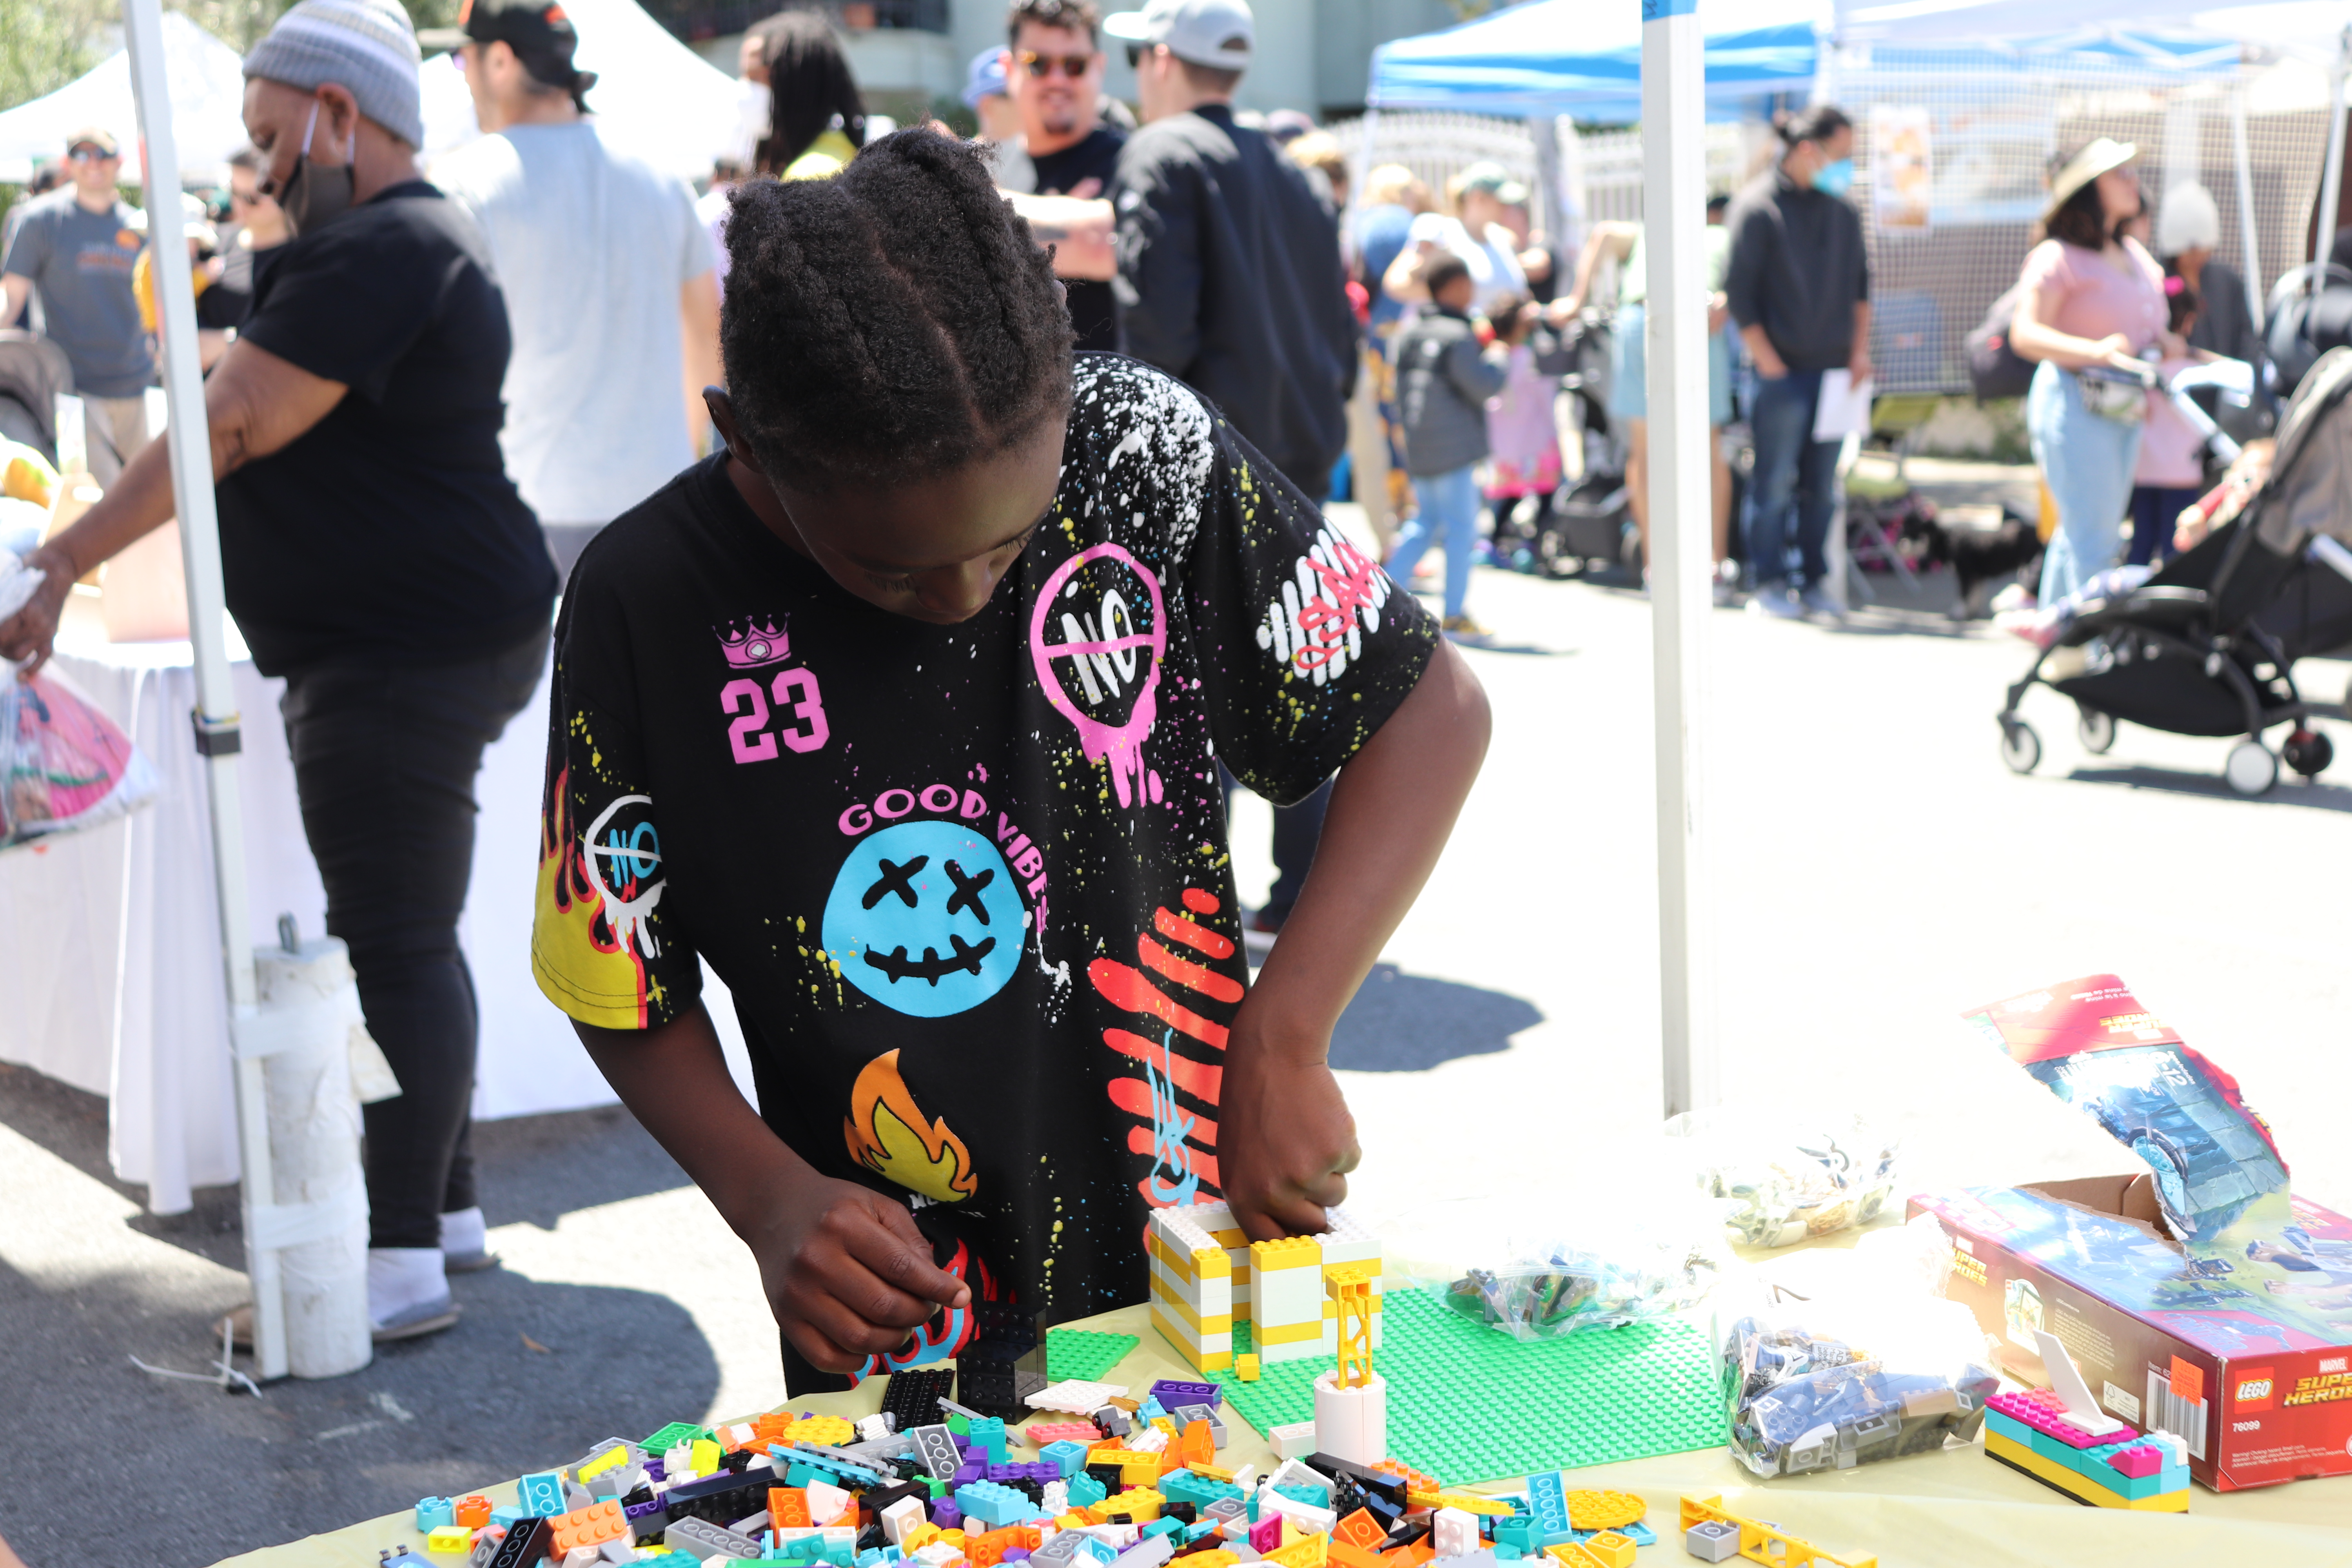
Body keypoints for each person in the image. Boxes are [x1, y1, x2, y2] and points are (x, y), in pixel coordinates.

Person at [534, 129, 1487, 1390]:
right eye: (893, 569)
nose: (965, 595)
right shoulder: (645, 599)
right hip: (899, 1327)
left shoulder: (1143, 452)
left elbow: (1429, 710)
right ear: (745, 440)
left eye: (1014, 540)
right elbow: (617, 974)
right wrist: (765, 1195)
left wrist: (1286, 1033)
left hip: (1203, 1273)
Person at [0, 0, 559, 1343]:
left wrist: (64, 560)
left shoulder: (384, 241)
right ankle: (453, 1206)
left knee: (398, 938)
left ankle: (402, 1258)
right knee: (409, 931)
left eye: (269, 137)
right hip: (425, 633)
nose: (260, 166)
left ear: (339, 116)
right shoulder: (394, 239)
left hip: (399, 650)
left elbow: (230, 422)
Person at [1106, 0, 1357, 934]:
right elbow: (1341, 330)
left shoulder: (1161, 152)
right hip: (1300, 456)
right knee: (1295, 671)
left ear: (1163, 59)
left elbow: (1156, 331)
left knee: (1189, 687)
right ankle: (1296, 895)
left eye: (1139, 55)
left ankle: (1191, 905)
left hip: (1208, 462)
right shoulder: (1296, 174)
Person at [428, 0, 721, 575]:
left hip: (525, 510)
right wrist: (682, 463)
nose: (464, 80)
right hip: (657, 505)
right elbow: (706, 334)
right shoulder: (660, 178)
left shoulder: (463, 185)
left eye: (464, 60)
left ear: (502, 61)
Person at [1724, 104, 1871, 621]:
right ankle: (1767, 581)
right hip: (1781, 374)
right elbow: (1739, 295)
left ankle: (1814, 583)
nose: (1847, 166)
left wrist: (1858, 353)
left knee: (1821, 487)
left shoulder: (1843, 211)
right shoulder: (1757, 207)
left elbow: (1860, 290)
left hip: (1835, 374)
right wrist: (1770, 363)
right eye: (1842, 154)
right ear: (1808, 149)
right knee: (1774, 481)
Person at [2007, 138, 2166, 604]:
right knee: (2093, 540)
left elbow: (2147, 327)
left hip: (2123, 405)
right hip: (2074, 403)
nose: (2134, 181)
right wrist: (2095, 350)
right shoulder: (2057, 257)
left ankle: (2058, 645)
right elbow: (2026, 334)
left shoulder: (2131, 252)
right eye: (2121, 174)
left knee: (2083, 533)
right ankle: (2088, 652)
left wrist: (2172, 346)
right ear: (2089, 189)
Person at [1562, 207, 1736, 599]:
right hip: (1678, 321)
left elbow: (1604, 234)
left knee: (1651, 450)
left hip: (1651, 319)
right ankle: (1710, 565)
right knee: (1700, 448)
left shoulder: (1653, 229)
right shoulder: (1715, 234)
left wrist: (1576, 300)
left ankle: (1661, 566)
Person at [1, 127, 157, 484]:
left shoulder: (140, 225)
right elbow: (11, 300)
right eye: (82, 156)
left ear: (120, 162)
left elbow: (157, 300)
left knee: (142, 497)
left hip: (136, 383)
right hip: (71, 390)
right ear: (67, 163)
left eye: (102, 155)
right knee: (86, 498)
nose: (93, 165)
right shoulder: (40, 221)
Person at [1386, 254, 1509, 634]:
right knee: (1460, 530)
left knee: (1424, 523)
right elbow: (1483, 385)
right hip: (1454, 449)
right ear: (1456, 287)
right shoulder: (1459, 335)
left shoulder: (1409, 331)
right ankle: (1455, 612)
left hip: (1420, 444)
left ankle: (1378, 597)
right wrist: (1499, 358)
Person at [1005, 0, 1124, 352]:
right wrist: (1060, 220)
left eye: (1074, 65)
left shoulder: (1128, 160)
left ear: (1099, 67)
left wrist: (979, 202)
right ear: (1008, 67)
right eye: (1037, 64)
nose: (1057, 80)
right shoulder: (994, 163)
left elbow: (1108, 243)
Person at [1347, 165, 1431, 551]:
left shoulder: (1359, 221)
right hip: (1394, 340)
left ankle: (1394, 529)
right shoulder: (1399, 223)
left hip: (1367, 339)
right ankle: (1404, 527)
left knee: (1381, 433)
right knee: (1397, 432)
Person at [2127, 278, 2208, 569]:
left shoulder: (2140, 367)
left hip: (2144, 469)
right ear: (2188, 320)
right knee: (2176, 553)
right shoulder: (2197, 371)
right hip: (2181, 472)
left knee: (2141, 547)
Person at [1381, 163, 1529, 318]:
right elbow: (1398, 284)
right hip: (1455, 338)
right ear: (1478, 198)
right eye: (1502, 201)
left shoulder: (1504, 239)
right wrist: (1450, 298)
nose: (1508, 208)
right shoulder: (1440, 231)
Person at [750, 9, 865, 180]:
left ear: (792, 84)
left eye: (755, 78)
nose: (746, 89)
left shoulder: (810, 177)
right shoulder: (838, 153)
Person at [197, 147, 289, 335]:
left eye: (251, 198)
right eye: (233, 191)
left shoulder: (305, 255)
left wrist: (227, 344)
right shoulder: (211, 242)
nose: (239, 204)